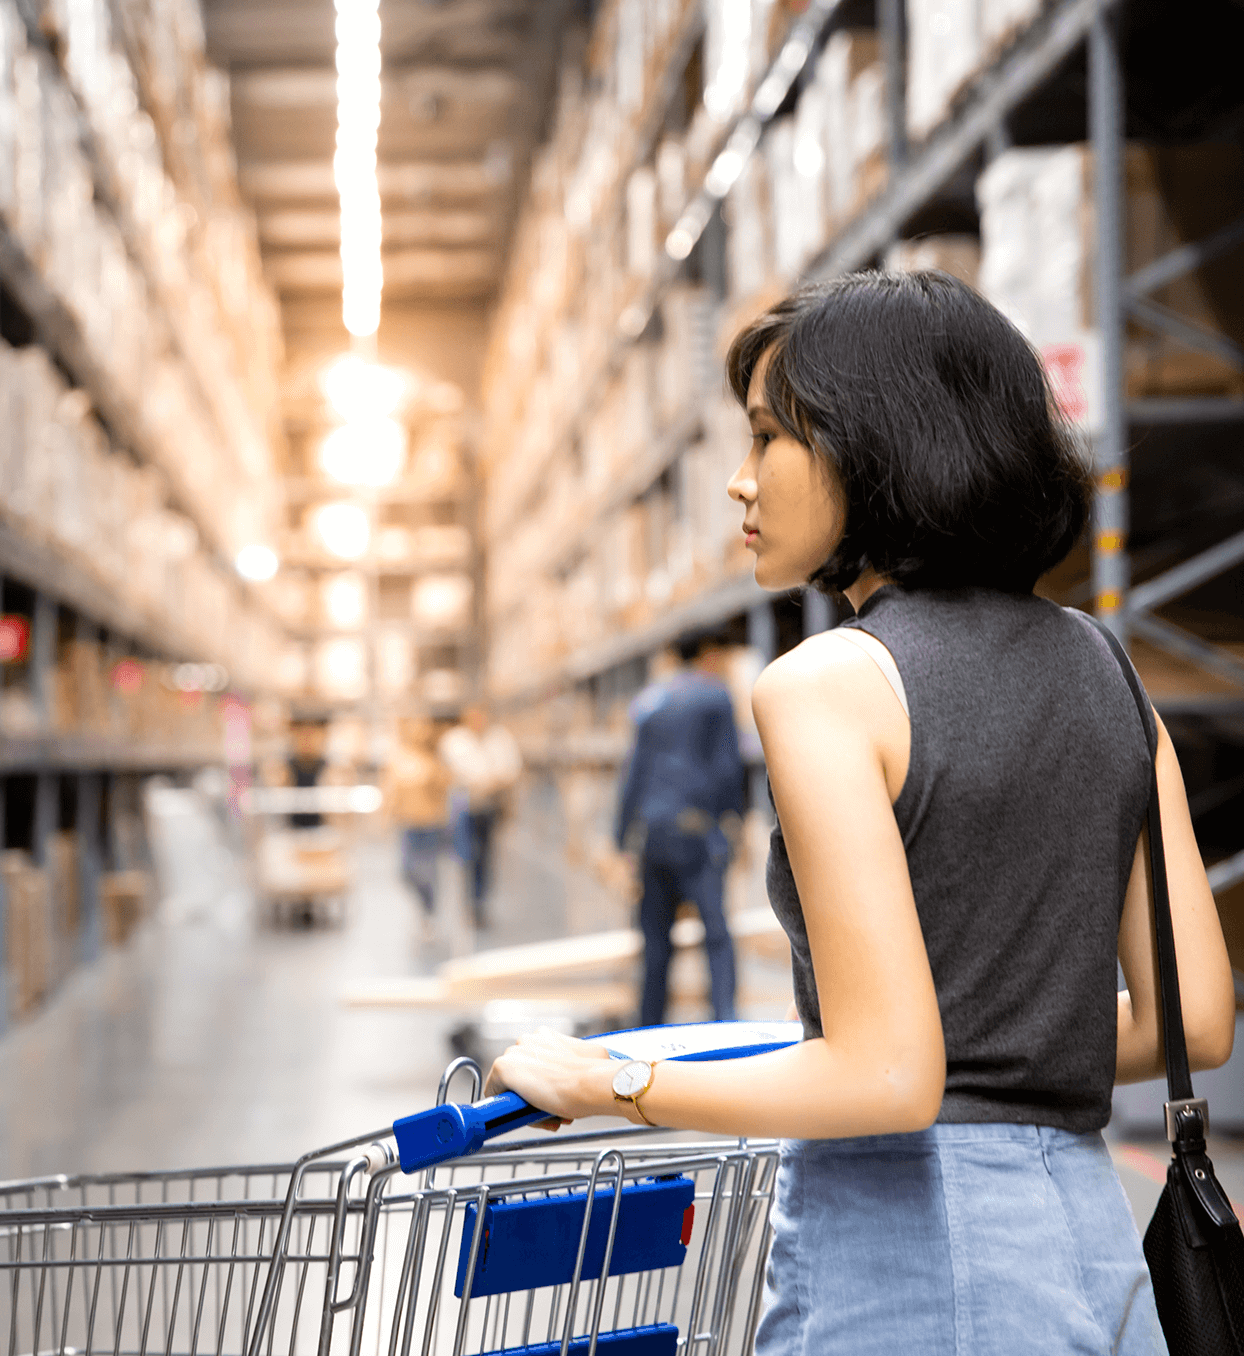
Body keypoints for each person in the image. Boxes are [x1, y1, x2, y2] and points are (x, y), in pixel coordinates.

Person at [481, 271, 1234, 1353]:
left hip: (919, 1257)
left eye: (765, 441)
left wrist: (610, 1080)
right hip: (1089, 1244)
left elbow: (886, 1075)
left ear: (870, 446)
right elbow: (1191, 1021)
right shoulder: (1107, 673)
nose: (738, 486)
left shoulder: (828, 684)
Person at [614, 632, 746, 1026]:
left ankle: (647, 1028)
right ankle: (726, 1025)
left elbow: (632, 773)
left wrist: (620, 838)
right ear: (709, 655)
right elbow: (727, 767)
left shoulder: (649, 701)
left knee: (656, 944)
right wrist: (735, 820)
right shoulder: (715, 697)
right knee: (717, 938)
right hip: (696, 834)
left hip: (652, 835)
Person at [438, 704, 522, 926]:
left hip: (490, 805)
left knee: (485, 855)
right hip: (462, 806)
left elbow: (512, 771)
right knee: (464, 854)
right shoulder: (453, 741)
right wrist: (467, 784)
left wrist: (492, 784)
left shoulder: (500, 739)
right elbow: (444, 772)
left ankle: (479, 902)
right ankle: (465, 901)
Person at [382, 716, 450, 932]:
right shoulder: (400, 760)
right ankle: (424, 905)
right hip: (408, 823)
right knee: (407, 871)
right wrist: (387, 814)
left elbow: (445, 787)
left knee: (428, 871)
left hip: (430, 823)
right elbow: (391, 790)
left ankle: (429, 912)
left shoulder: (435, 760)